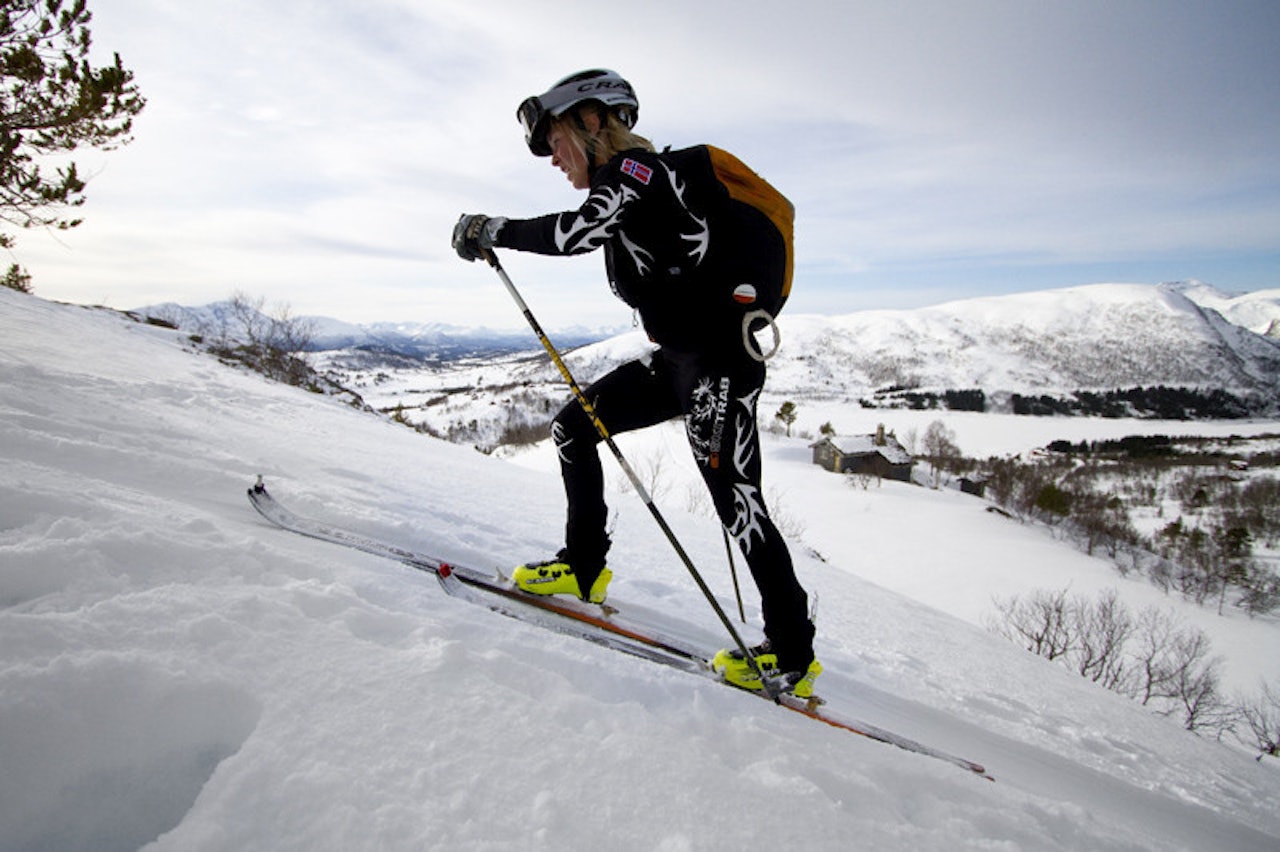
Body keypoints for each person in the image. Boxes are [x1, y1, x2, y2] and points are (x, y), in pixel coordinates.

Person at [452, 69, 820, 697]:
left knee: (736, 498)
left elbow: (572, 233)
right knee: (574, 425)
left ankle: (791, 654)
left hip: (719, 363)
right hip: (677, 361)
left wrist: (494, 230)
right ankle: (584, 567)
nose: (553, 158)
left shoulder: (638, 175)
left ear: (595, 122)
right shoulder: (628, 190)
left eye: (557, 139)